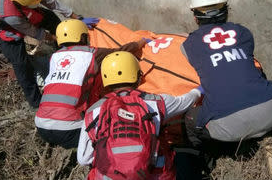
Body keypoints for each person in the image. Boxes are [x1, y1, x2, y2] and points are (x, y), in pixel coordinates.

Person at [181, 0, 272, 169]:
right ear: (227, 9)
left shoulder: (188, 45)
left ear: (195, 17)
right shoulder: (244, 33)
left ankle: (211, 161)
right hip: (270, 114)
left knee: (190, 120)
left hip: (225, 129)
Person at [77, 51, 202, 180]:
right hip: (150, 174)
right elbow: (185, 102)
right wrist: (199, 91)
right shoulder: (155, 102)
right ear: (138, 75)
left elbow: (83, 159)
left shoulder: (93, 111)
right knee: (184, 158)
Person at [0, 0, 99, 108]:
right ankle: (36, 103)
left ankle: (67, 53)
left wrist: (76, 17)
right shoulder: (11, 16)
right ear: (20, 3)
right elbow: (36, 33)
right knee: (21, 63)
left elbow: (52, 2)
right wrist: (60, 38)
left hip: (20, 10)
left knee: (52, 19)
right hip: (0, 28)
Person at [35, 19, 147, 149]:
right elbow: (120, 52)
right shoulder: (91, 54)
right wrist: (140, 43)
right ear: (82, 37)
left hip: (41, 124)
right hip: (69, 128)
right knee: (112, 138)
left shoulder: (55, 56)